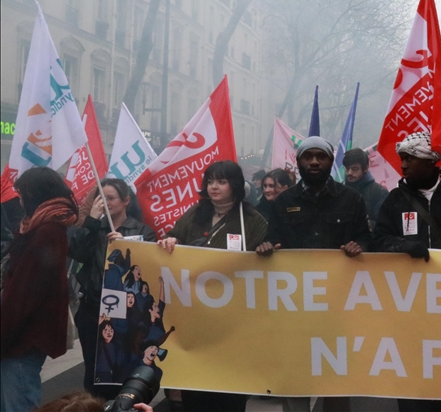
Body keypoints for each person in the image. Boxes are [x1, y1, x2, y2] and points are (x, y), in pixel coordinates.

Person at [255, 137, 370, 412]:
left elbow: (367, 238)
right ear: (299, 161)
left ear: (331, 161)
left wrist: (362, 246)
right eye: (309, 156)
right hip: (296, 308)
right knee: (295, 378)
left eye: (322, 156)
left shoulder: (351, 199)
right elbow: (273, 238)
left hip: (338, 308)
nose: (315, 161)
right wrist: (266, 246)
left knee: (337, 380)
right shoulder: (284, 201)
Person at [373, 132, 441, 412]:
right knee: (411, 368)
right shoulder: (396, 200)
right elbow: (378, 240)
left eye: (410, 158)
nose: (404, 164)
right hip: (408, 303)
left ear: (429, 160)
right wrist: (404, 246)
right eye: (402, 159)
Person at [156, 160, 268, 411]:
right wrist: (170, 240)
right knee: (196, 387)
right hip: (194, 315)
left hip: (232, 321)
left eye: (221, 181)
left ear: (235, 185)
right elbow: (172, 236)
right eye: (210, 181)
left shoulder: (252, 220)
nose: (214, 187)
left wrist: (265, 250)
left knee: (229, 390)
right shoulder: (196, 214)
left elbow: (262, 268)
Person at [67, 179, 157, 399]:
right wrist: (92, 221)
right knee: (95, 370)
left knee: (124, 369)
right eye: (101, 198)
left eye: (111, 198)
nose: (106, 203)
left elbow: (148, 269)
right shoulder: (95, 228)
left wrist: (127, 245)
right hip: (94, 308)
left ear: (126, 201)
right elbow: (76, 252)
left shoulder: (142, 230)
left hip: (128, 314)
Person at [1, 167, 78, 412]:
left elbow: (25, 294)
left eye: (22, 194)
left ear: (34, 194)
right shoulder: (41, 225)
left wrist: (3, 335)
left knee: (19, 401)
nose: (19, 200)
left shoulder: (48, 230)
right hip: (23, 332)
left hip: (24, 336)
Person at [343, 148, 389, 229]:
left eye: (355, 169)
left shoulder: (379, 192)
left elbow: (385, 225)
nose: (349, 173)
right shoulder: (339, 191)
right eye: (347, 168)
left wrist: (364, 223)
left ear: (365, 168)